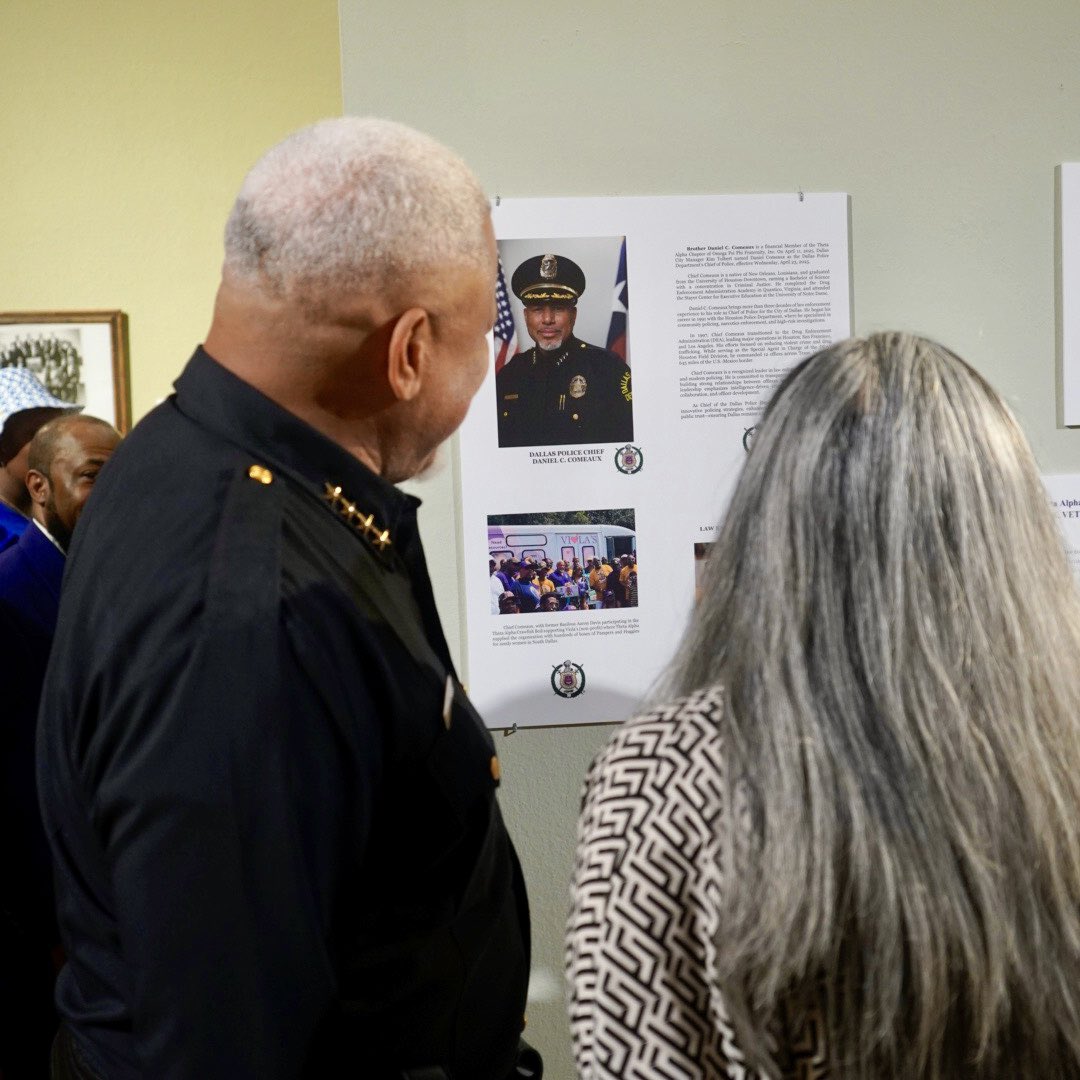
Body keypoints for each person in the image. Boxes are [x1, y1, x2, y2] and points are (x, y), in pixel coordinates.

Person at [37, 118, 534, 1080]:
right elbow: (223, 1039)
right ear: (411, 352)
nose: (487, 372)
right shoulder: (256, 610)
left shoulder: (185, 456)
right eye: (485, 340)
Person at [567, 333, 1080, 1079]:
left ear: (768, 523)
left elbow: (631, 1056)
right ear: (1007, 527)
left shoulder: (660, 774)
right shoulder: (1061, 741)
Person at [0, 413, 120, 1080]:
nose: (112, 495)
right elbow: (17, 786)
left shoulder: (104, 576)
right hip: (51, 920)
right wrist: (51, 926)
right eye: (92, 479)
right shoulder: (13, 595)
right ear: (41, 487)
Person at [495, 253, 633, 447]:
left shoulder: (608, 369)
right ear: (526, 317)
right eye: (537, 309)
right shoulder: (510, 375)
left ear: (573, 315)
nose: (548, 319)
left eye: (558, 308)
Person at [0, 368, 80, 552]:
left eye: (58, 433)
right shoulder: (5, 534)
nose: (56, 446)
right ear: (2, 446)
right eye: (37, 434)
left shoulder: (57, 514)